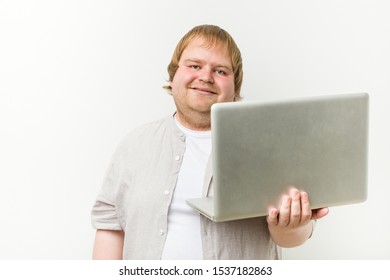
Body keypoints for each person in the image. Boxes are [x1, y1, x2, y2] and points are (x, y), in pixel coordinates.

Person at [91, 24, 329, 260]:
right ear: (173, 76)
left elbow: (294, 237)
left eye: (221, 71)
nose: (205, 77)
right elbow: (110, 227)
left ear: (235, 87)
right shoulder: (134, 146)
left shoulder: (269, 149)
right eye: (195, 65)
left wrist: (292, 226)